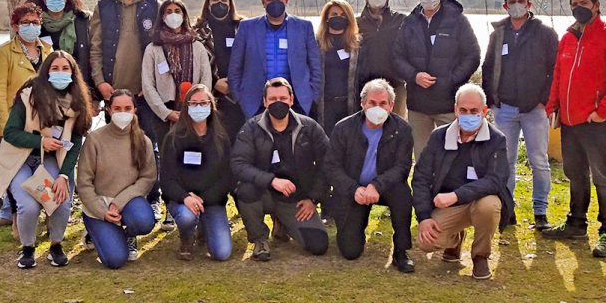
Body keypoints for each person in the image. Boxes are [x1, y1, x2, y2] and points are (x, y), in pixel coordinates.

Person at [542, 0, 606, 258]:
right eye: (573, 3)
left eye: (583, 2)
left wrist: (603, 110)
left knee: (603, 178)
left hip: (596, 122)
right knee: (575, 175)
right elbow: (559, 74)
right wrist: (553, 107)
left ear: (595, 5)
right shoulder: (567, 39)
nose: (577, 7)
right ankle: (576, 223)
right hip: (569, 122)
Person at [0, 51, 92, 269]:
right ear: (46, 71)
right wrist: (40, 142)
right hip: (21, 158)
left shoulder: (77, 102)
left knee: (60, 201)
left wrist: (64, 175)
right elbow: (10, 132)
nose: (61, 73)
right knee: (29, 206)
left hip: (53, 160)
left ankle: (56, 245)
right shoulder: (29, 94)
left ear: (73, 73)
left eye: (66, 69)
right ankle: (28, 248)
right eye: (55, 68)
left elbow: (74, 144)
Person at [412, 84, 513, 280]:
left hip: (479, 201)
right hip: (450, 206)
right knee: (427, 243)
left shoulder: (496, 139)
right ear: (455, 109)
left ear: (484, 111)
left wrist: (456, 195)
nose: (468, 115)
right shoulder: (439, 136)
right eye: (463, 110)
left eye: (474, 111)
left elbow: (496, 179)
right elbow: (421, 176)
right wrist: (423, 217)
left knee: (489, 206)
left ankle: (480, 256)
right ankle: (454, 240)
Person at [89, 0, 163, 222]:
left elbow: (161, 48)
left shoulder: (153, 6)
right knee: (116, 152)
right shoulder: (104, 7)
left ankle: (153, 199)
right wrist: (100, 83)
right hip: (115, 94)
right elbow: (95, 47)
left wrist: (152, 84)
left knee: (150, 148)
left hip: (144, 93)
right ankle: (112, 204)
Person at [482, 0, 558, 230]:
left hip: (534, 109)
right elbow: (487, 67)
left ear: (529, 4)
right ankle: (508, 208)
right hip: (504, 109)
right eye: (512, 1)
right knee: (506, 161)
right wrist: (490, 99)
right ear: (505, 6)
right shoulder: (498, 34)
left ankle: (540, 211)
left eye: (521, 0)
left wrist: (543, 100)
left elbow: (554, 69)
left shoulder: (544, 33)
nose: (517, 4)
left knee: (538, 160)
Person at [231, 77, 329, 261]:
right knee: (245, 190)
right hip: (263, 193)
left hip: (294, 198)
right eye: (273, 99)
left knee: (318, 245)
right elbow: (238, 164)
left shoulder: (310, 127)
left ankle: (282, 222)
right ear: (265, 101)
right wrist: (271, 180)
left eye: (283, 99)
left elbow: (328, 163)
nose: (278, 103)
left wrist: (313, 198)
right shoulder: (251, 128)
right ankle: (260, 239)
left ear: (291, 100)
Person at [324, 79, 415, 273]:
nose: (377, 108)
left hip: (385, 188)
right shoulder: (343, 128)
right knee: (349, 251)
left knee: (402, 195)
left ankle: (401, 251)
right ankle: (357, 227)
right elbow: (331, 167)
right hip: (353, 189)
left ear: (391, 106)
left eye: (383, 104)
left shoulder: (403, 130)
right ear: (362, 103)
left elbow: (402, 167)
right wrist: (354, 189)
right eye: (372, 103)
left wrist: (376, 185)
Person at [393, 0, 480, 160]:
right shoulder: (409, 23)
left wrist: (451, 80)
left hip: (448, 103)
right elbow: (397, 57)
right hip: (418, 105)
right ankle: (424, 190)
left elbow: (472, 56)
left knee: (452, 157)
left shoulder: (457, 20)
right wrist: (414, 76)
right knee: (422, 158)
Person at [76, 89, 157, 269]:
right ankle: (94, 231)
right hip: (99, 206)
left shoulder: (144, 142)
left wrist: (119, 203)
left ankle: (128, 233)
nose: (122, 112)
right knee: (115, 260)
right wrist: (102, 211)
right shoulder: (94, 140)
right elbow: (83, 183)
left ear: (134, 110)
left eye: (127, 108)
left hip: (128, 202)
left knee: (144, 221)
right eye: (117, 108)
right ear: (109, 111)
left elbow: (147, 178)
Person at [0, 3, 53, 229]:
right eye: (25, 23)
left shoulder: (48, 51)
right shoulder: (4, 52)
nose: (30, 26)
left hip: (44, 123)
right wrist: (4, 127)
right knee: (15, 169)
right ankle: (13, 214)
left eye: (35, 22)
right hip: (15, 123)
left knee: (43, 170)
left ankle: (48, 213)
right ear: (15, 25)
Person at [161, 85, 233, 261]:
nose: (199, 108)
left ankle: (203, 228)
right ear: (186, 107)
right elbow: (167, 179)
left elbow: (226, 178)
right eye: (194, 104)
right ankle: (186, 237)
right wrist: (186, 197)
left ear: (211, 106)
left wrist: (204, 199)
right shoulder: (173, 138)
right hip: (183, 201)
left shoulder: (221, 138)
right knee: (187, 217)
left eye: (203, 103)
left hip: (211, 201)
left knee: (222, 253)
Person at [228, 0, 321, 118]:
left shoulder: (303, 27)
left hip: (297, 101)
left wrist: (313, 95)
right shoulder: (247, 27)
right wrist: (239, 96)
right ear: (263, 2)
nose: (274, 2)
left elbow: (315, 65)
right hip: (255, 103)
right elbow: (235, 66)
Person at [142, 0, 213, 147]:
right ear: (162, 17)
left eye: (177, 11)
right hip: (164, 115)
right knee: (167, 156)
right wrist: (166, 112)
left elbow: (206, 79)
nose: (173, 15)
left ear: (184, 15)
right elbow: (148, 85)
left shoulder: (198, 46)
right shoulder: (153, 49)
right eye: (168, 12)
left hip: (193, 112)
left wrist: (196, 107)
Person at [26, 0, 97, 104]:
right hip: (45, 94)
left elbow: (94, 56)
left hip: (78, 91)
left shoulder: (83, 20)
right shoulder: (34, 24)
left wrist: (94, 97)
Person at [193, 0, 245, 143]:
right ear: (208, 4)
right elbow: (194, 64)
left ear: (230, 4)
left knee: (240, 139)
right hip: (211, 93)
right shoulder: (197, 31)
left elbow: (252, 58)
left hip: (240, 93)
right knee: (216, 140)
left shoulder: (242, 27)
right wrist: (215, 83)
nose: (219, 3)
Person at [357, 0, 407, 117]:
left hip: (395, 88)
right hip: (365, 90)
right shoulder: (356, 24)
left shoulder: (401, 21)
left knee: (397, 131)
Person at [315, 0, 362, 135]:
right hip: (325, 106)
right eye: (334, 14)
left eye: (343, 15)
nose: (338, 18)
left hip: (350, 105)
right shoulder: (316, 43)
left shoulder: (357, 45)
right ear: (326, 17)